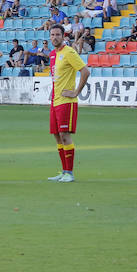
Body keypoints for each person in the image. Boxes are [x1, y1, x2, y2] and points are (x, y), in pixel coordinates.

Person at [46, 25, 90, 183]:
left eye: (57, 34)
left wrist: (76, 92)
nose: (54, 37)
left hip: (66, 102)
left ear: (63, 36)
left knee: (65, 136)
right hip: (55, 101)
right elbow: (56, 77)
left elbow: (85, 71)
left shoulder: (69, 52)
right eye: (52, 34)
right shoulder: (52, 54)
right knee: (57, 136)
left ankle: (69, 173)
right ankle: (64, 171)